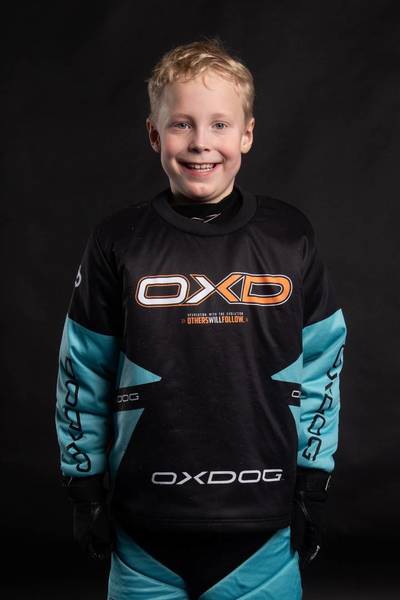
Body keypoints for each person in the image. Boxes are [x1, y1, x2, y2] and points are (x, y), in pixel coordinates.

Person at [55, 37, 348, 599]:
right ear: (153, 134)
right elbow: (82, 369)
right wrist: (84, 488)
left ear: (247, 134)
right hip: (145, 531)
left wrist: (313, 481)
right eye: (181, 125)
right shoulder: (119, 240)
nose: (200, 143)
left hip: (261, 530)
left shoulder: (288, 236)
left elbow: (323, 363)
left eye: (219, 125)